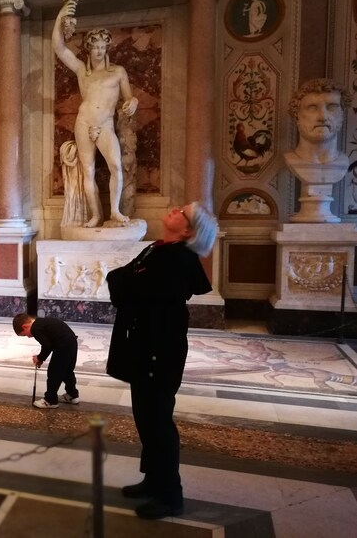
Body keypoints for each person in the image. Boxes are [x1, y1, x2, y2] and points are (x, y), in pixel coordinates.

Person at [106, 202, 217, 520]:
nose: (175, 209)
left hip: (161, 352)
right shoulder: (159, 249)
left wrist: (124, 282)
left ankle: (170, 495)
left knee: (159, 423)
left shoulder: (179, 259)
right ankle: (153, 480)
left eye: (183, 212)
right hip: (146, 347)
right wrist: (124, 281)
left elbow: (127, 285)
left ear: (188, 231)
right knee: (145, 418)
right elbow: (123, 280)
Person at [52, 0, 138, 227]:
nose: (99, 51)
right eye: (96, 47)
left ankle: (115, 212)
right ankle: (96, 215)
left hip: (106, 124)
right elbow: (59, 48)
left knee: (116, 166)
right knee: (88, 171)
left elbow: (129, 97)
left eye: (103, 47)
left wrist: (133, 102)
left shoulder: (118, 72)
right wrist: (61, 14)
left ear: (107, 47)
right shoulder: (82, 70)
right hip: (84, 123)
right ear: (89, 48)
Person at [12, 313, 80, 409]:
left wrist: (39, 358)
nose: (28, 337)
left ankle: (50, 400)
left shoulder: (35, 329)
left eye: (24, 334)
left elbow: (47, 345)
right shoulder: (42, 323)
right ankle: (72, 395)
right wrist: (41, 358)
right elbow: (50, 344)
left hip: (63, 346)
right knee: (67, 371)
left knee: (54, 373)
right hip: (71, 342)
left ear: (25, 326)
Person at [286, 78, 351, 165]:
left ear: (342, 114)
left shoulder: (345, 163)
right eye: (312, 108)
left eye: (332, 107)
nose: (323, 117)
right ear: (297, 116)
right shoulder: (287, 161)